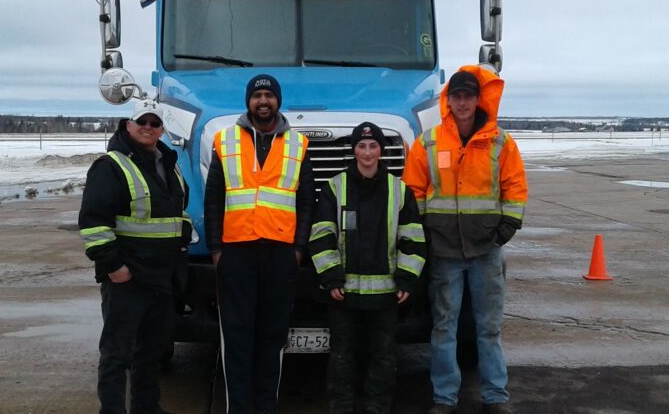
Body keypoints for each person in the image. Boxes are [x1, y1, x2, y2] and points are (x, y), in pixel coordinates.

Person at [402, 66, 527, 414]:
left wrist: (505, 229)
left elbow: (514, 187)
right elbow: (413, 190)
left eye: (468, 95)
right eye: (455, 96)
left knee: (488, 329)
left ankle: (496, 397)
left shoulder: (501, 142)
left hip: (486, 250)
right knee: (444, 328)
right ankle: (444, 399)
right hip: (444, 253)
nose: (462, 102)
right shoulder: (428, 142)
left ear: (477, 99)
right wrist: (425, 231)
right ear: (448, 100)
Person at [204, 74, 316, 414]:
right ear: (248, 102)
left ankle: (265, 407)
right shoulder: (224, 141)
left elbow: (306, 202)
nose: (263, 101)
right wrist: (216, 251)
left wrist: (298, 250)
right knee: (236, 339)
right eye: (257, 96)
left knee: (272, 339)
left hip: (281, 253)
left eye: (269, 95)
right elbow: (213, 200)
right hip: (236, 253)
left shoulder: (299, 145)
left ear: (278, 101)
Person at [79, 99, 191, 414]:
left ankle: (147, 408)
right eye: (142, 121)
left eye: (155, 123)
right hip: (127, 278)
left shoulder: (168, 163)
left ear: (162, 129)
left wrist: (181, 247)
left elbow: (175, 214)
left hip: (159, 278)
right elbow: (93, 222)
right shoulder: (111, 165)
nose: (148, 128)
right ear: (128, 125)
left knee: (150, 352)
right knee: (117, 354)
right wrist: (114, 267)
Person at [309, 122, 426, 414]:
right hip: (342, 294)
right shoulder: (335, 188)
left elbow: (413, 239)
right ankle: (341, 407)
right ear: (353, 151)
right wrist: (331, 277)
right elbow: (322, 235)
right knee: (341, 356)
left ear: (381, 151)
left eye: (373, 146)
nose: (367, 152)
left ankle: (377, 407)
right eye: (361, 146)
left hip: (386, 295)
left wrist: (406, 280)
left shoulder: (400, 191)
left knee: (383, 356)